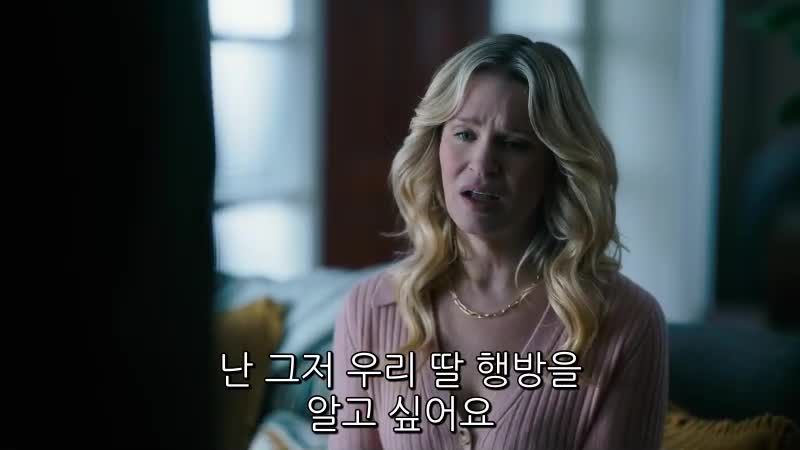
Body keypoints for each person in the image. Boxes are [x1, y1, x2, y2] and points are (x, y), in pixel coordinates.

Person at [329, 33, 668, 450]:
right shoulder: (369, 310)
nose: (483, 163)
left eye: (514, 144)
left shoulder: (627, 322)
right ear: (435, 146)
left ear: (556, 165)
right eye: (464, 134)